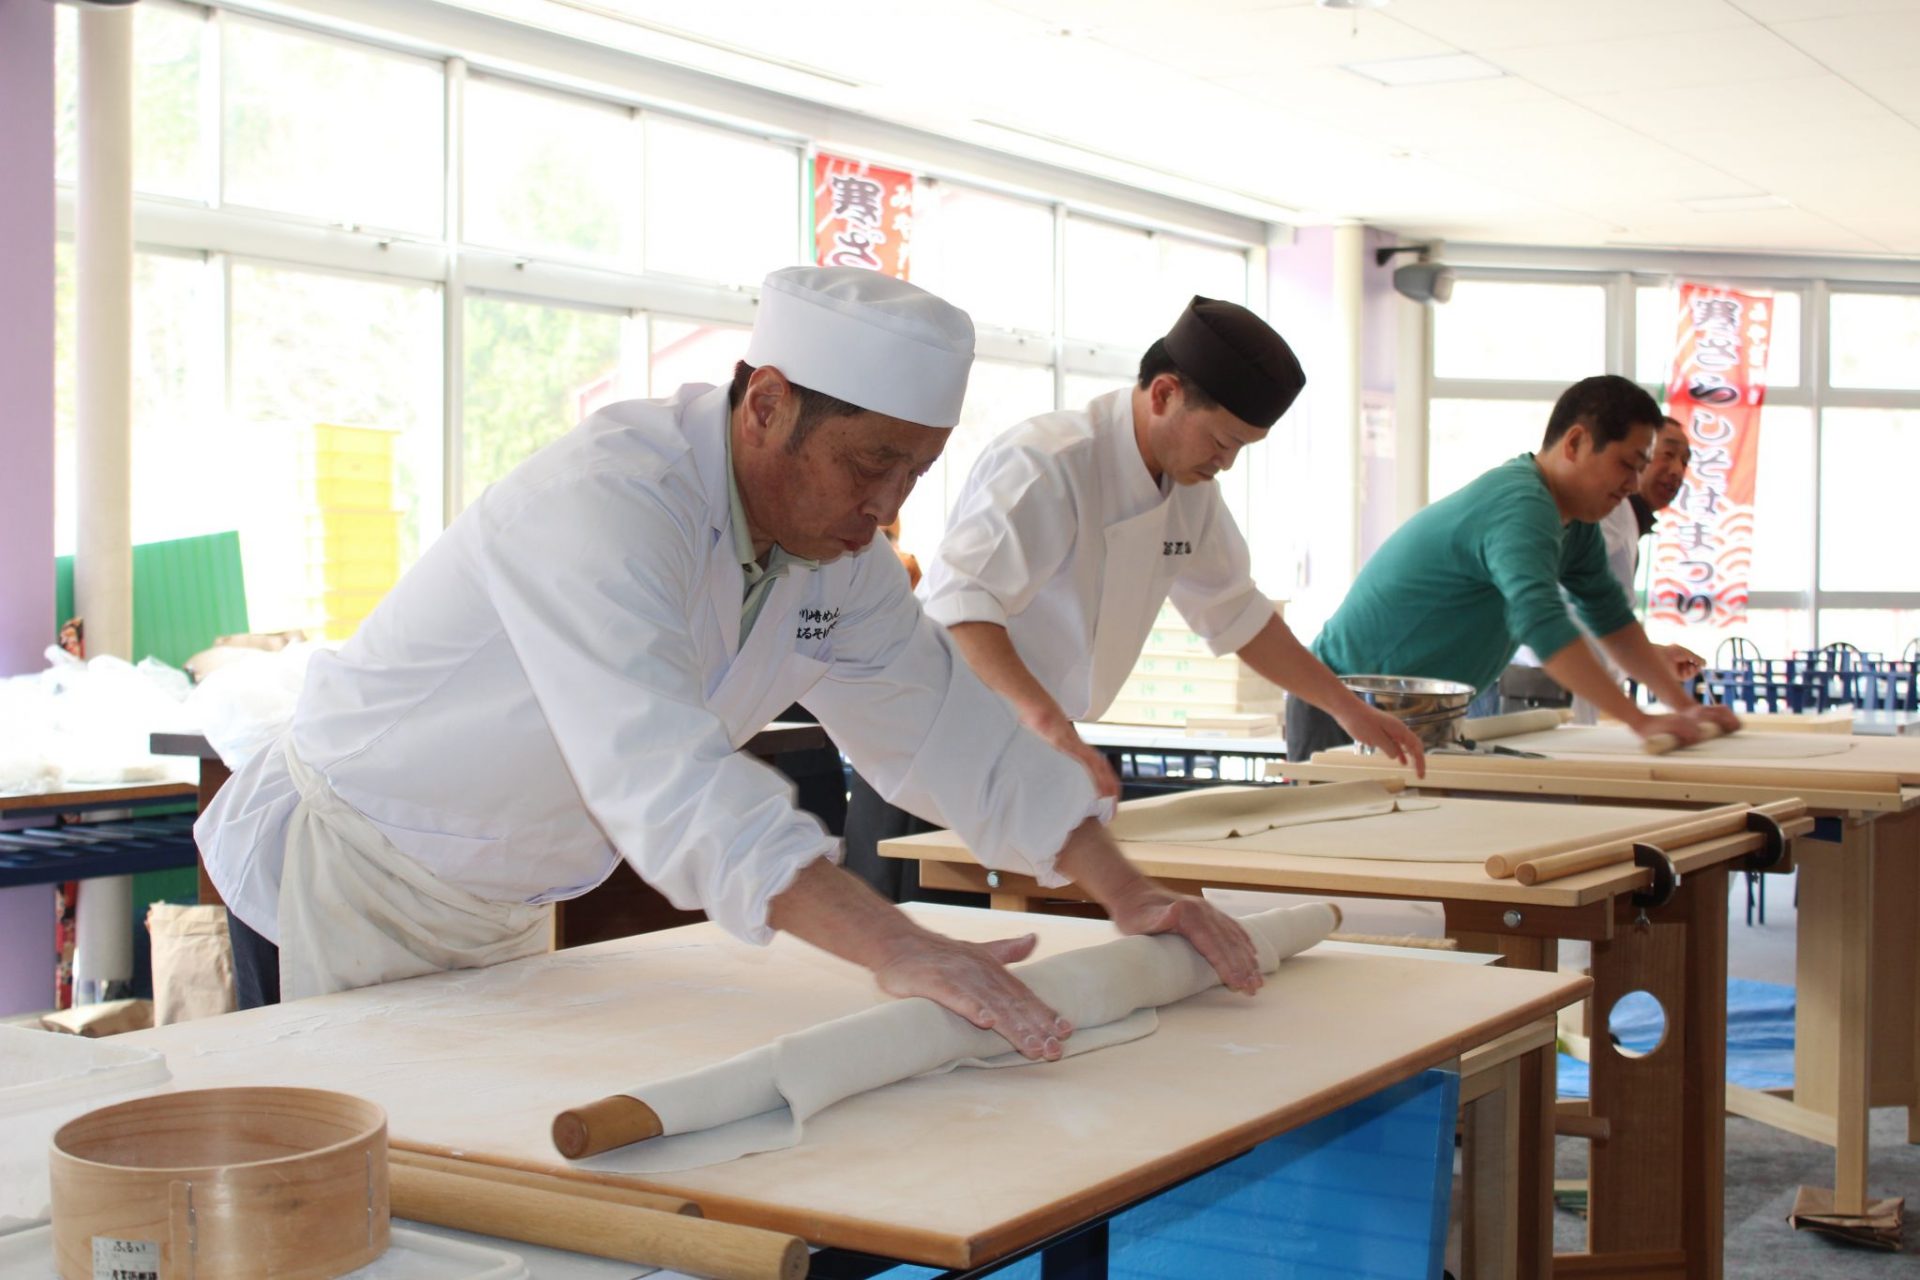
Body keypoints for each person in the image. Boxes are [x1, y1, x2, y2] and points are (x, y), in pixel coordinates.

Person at [197, 266, 1261, 1060]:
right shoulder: (607, 502)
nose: (886, 505)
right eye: (870, 462)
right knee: (349, 1204)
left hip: (499, 902)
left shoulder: (830, 548)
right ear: (766, 405)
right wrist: (893, 943)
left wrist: (1128, 892)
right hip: (341, 876)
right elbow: (668, 780)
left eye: (915, 470)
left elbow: (949, 728)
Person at [922, 296, 1425, 799]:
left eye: (1241, 449)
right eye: (1222, 441)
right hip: (945, 731)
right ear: (1164, 394)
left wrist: (1346, 707)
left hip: (1036, 742)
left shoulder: (1191, 492)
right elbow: (961, 606)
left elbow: (1238, 614)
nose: (1225, 463)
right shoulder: (1049, 461)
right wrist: (1044, 718)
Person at [1287, 375, 1740, 761]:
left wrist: (1684, 707)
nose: (1632, 484)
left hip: (1418, 713)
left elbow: (1613, 621)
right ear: (1577, 443)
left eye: (1639, 467)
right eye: (1625, 464)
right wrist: (1638, 720)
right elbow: (1542, 623)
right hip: (1342, 703)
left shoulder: (1577, 523)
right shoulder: (1522, 507)